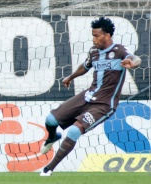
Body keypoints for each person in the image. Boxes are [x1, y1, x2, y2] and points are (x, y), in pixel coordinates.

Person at [39, 17, 142, 176]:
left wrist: (133, 63)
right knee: (50, 120)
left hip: (104, 104)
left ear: (107, 35)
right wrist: (70, 77)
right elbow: (85, 66)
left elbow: (136, 59)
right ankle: (52, 137)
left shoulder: (119, 51)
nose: (93, 39)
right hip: (87, 96)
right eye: (92, 36)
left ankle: (48, 169)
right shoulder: (94, 52)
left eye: (96, 36)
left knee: (74, 131)